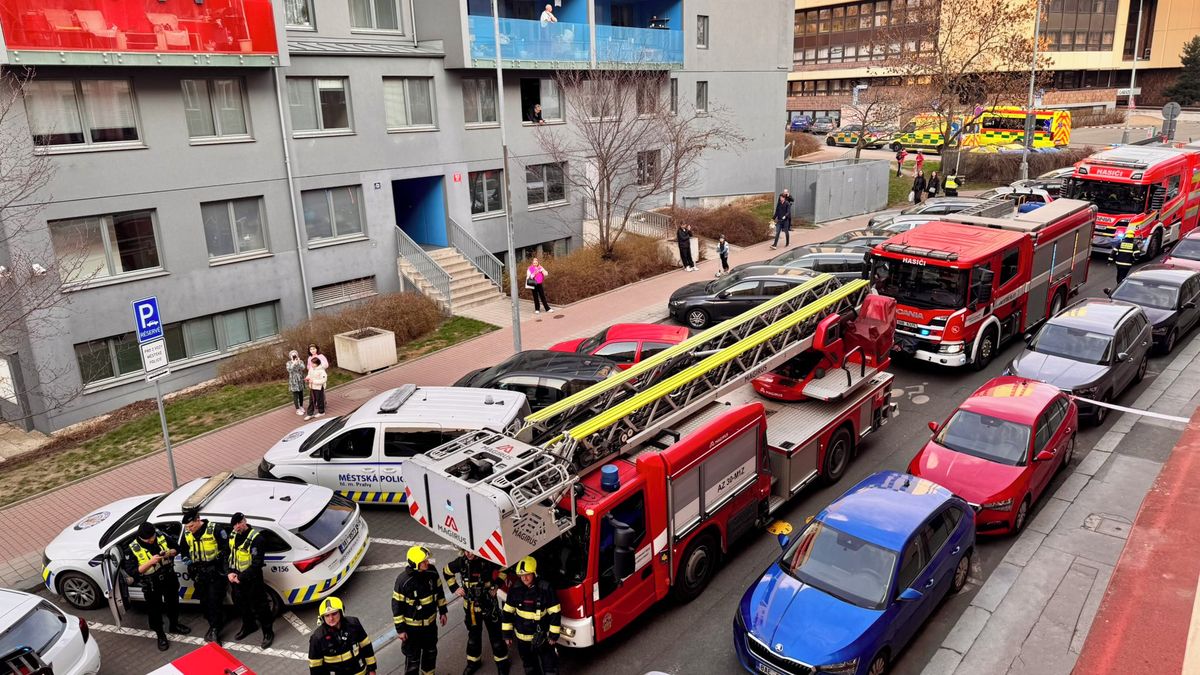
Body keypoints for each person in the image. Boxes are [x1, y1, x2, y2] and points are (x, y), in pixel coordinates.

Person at [123, 521, 189, 651]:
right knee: (154, 611)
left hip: (169, 577)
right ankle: (160, 635)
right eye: (148, 539)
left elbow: (177, 548)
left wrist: (169, 552)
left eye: (152, 537)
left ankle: (174, 625)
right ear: (140, 537)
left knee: (173, 603)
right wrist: (150, 562)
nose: (151, 540)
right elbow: (133, 571)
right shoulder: (132, 549)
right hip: (152, 583)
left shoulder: (161, 536)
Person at [444, 549, 510, 675]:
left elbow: (505, 568)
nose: (468, 554)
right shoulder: (461, 562)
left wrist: (496, 585)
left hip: (489, 606)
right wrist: (455, 588)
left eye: (471, 551)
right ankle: (473, 663)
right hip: (471, 609)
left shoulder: (488, 561)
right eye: (465, 551)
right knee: (473, 638)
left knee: (496, 636)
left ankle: (502, 663)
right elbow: (446, 571)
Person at [393, 545, 448, 675]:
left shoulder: (432, 572)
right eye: (423, 561)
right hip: (413, 630)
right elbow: (397, 606)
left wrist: (443, 611)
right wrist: (401, 630)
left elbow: (439, 592)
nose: (427, 562)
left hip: (430, 626)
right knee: (413, 660)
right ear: (415, 564)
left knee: (431, 653)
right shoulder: (403, 581)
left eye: (426, 560)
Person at [178, 508, 228, 645]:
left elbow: (226, 548)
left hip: (214, 572)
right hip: (198, 574)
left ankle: (215, 630)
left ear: (198, 520)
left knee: (213, 601)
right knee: (204, 601)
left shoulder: (215, 529)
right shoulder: (187, 533)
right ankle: (215, 621)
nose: (189, 529)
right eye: (187, 527)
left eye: (191, 526)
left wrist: (219, 563)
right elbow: (184, 550)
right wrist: (186, 559)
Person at [502, 557, 560, 675]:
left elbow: (555, 612)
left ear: (534, 573)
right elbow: (507, 612)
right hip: (523, 641)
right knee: (530, 668)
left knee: (550, 668)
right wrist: (507, 634)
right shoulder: (515, 589)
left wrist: (553, 636)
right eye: (521, 575)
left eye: (527, 574)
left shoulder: (545, 588)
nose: (524, 578)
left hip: (543, 639)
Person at [226, 512, 275, 649]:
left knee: (261, 607)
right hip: (236, 579)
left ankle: (268, 633)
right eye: (234, 525)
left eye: (239, 523)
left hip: (252, 579)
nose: (237, 527)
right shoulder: (232, 535)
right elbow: (226, 554)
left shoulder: (257, 539)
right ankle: (249, 626)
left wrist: (240, 577)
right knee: (241, 605)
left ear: (244, 521)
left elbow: (257, 563)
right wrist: (229, 572)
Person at [310, 597, 377, 675]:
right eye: (327, 615)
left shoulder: (354, 624)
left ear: (341, 612)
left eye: (334, 614)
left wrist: (372, 669)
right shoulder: (317, 638)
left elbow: (366, 647)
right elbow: (315, 667)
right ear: (322, 618)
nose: (331, 618)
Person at [287, 350, 306, 415]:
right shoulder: (288, 363)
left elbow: (303, 368)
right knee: (295, 394)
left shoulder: (300, 361)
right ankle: (297, 409)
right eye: (292, 355)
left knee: (301, 394)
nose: (294, 356)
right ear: (290, 356)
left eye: (295, 355)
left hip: (300, 379)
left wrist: (298, 362)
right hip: (294, 380)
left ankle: (301, 406)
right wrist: (293, 363)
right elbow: (289, 370)